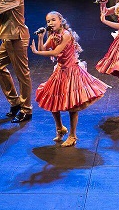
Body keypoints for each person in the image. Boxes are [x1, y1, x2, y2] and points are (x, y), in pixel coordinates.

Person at [31, 11, 110, 147]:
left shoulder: (66, 34)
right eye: (48, 21)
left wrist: (37, 52)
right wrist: (40, 38)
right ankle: (60, 128)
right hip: (60, 71)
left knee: (72, 105)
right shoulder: (53, 35)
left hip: (71, 72)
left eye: (53, 20)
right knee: (52, 100)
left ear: (60, 21)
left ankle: (72, 135)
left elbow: (55, 52)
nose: (50, 23)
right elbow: (43, 48)